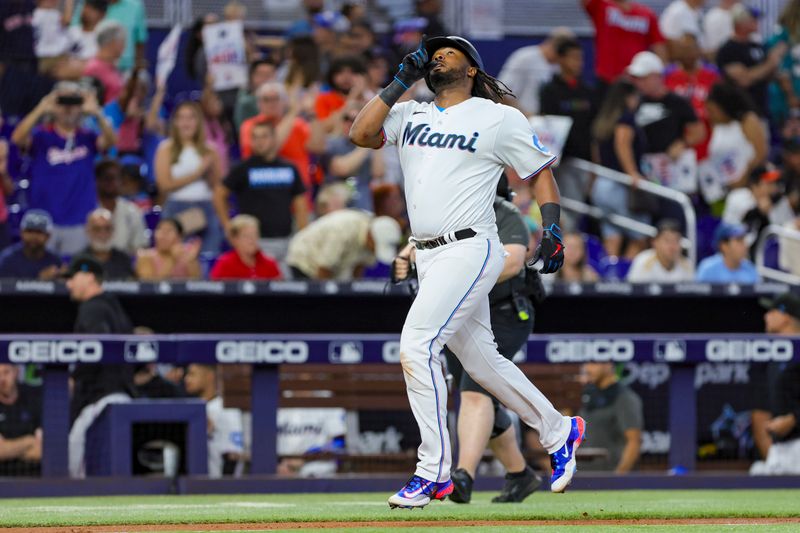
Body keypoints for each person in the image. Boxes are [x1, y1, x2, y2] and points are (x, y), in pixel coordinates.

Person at [349, 35, 584, 508]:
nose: (437, 55)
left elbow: (538, 172)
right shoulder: (411, 111)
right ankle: (560, 430)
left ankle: (433, 471)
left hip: (470, 246)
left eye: (448, 51)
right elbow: (360, 134)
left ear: (471, 68)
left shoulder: (496, 117)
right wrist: (399, 81)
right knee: (482, 362)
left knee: (417, 344)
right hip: (429, 254)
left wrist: (552, 227)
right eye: (432, 52)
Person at [393, 179, 543, 504]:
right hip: (463, 311)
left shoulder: (503, 212)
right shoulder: (450, 216)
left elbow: (515, 260)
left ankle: (463, 475)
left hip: (506, 312)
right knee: (480, 391)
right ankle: (520, 474)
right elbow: (415, 248)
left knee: (476, 392)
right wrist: (410, 258)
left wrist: (461, 272)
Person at [10, 81, 116, 255]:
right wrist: (41, 108)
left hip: (80, 218)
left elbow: (111, 141)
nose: (68, 108)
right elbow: (17, 138)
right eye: (62, 101)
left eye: (73, 102)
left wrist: (97, 113)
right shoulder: (42, 135)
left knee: (74, 274)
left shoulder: (87, 136)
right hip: (45, 221)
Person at [66, 255, 135, 477]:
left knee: (76, 461)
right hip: (122, 396)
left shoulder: (92, 308)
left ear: (88, 277)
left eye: (72, 278)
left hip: (100, 399)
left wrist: (75, 377)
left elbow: (98, 347)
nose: (68, 284)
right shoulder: (114, 305)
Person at [214, 121, 309, 265]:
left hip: (286, 239)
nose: (259, 142)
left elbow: (300, 202)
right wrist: (228, 226)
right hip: (256, 242)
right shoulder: (243, 168)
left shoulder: (289, 168)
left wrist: (302, 235)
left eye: (264, 137)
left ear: (274, 139)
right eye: (255, 138)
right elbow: (219, 194)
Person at [539, 37, 596, 230]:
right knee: (564, 209)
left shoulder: (588, 91)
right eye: (573, 58)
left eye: (580, 58)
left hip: (584, 162)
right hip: (560, 163)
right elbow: (547, 127)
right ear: (561, 60)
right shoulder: (549, 90)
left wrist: (594, 165)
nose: (578, 63)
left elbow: (594, 131)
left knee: (578, 209)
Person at [154, 101, 224, 255]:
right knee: (177, 258)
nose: (186, 123)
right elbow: (164, 185)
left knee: (209, 254)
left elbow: (218, 186)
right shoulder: (166, 148)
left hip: (206, 207)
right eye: (182, 118)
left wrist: (208, 172)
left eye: (191, 118)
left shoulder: (210, 149)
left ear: (198, 122)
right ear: (176, 122)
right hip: (176, 207)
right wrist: (197, 173)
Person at [590, 80, 650, 258]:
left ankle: (610, 279)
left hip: (601, 185)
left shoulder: (602, 121)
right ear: (628, 98)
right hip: (619, 185)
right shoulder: (626, 118)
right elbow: (622, 144)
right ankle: (626, 281)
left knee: (612, 235)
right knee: (640, 236)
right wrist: (633, 174)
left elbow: (596, 155)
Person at [750, 293, 800, 475]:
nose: (766, 316)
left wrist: (794, 419)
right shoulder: (773, 356)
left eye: (771, 311)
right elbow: (760, 411)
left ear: (785, 316)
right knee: (756, 472)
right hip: (780, 448)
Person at [286, 209, 401, 280]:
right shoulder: (343, 230)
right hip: (303, 260)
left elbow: (359, 269)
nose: (375, 251)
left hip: (328, 268)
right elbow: (323, 269)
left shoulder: (372, 239)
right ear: (371, 237)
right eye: (375, 247)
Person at [716, 4, 787, 118]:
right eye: (752, 19)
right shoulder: (728, 50)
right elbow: (744, 79)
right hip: (740, 112)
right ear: (740, 22)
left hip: (762, 107)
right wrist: (770, 62)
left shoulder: (757, 46)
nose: (757, 22)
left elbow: (767, 75)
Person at [581, 0, 667, 93]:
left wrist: (659, 78)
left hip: (636, 83)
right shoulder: (602, 6)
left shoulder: (647, 14)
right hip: (607, 81)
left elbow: (659, 47)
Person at [702, 82, 767, 199]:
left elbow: (761, 155)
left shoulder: (748, 121)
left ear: (724, 107)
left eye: (712, 111)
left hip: (752, 185)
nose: (709, 115)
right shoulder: (716, 127)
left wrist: (742, 179)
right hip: (724, 188)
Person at [664, 33, 720, 162]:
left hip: (708, 143)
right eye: (683, 49)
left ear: (699, 49)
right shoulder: (668, 75)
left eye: (691, 49)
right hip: (676, 144)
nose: (687, 54)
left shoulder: (713, 75)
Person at [578, 363, 643, 473]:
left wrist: (617, 478)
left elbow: (634, 441)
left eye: (594, 363)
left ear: (609, 365)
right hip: (580, 473)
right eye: (587, 363)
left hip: (607, 473)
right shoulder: (587, 393)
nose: (588, 368)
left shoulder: (625, 398)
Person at [497, 27, 575, 117]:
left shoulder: (558, 66)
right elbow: (502, 93)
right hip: (520, 121)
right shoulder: (525, 57)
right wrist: (524, 115)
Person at [183, 364, 244, 478]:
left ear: (209, 376)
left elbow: (233, 455)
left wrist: (226, 489)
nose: (186, 379)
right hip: (196, 482)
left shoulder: (225, 408)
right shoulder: (191, 407)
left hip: (217, 484)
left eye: (192, 374)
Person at [324, 107, 385, 212]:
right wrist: (367, 142)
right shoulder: (332, 142)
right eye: (346, 119)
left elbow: (378, 172)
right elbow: (341, 168)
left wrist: (377, 141)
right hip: (338, 206)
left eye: (355, 120)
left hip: (363, 204)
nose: (350, 123)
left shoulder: (370, 146)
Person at [69, 0, 148, 73]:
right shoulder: (88, 2)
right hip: (88, 67)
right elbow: (76, 30)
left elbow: (140, 41)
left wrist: (136, 70)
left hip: (126, 69)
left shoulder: (136, 5)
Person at [94, 159, 148, 256]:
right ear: (97, 181)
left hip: (124, 266)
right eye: (106, 178)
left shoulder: (132, 211)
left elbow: (140, 247)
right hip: (92, 265)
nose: (110, 183)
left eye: (114, 178)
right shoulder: (86, 211)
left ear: (121, 181)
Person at [276, 407, 346, 477]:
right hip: (281, 473)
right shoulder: (277, 404)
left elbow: (340, 444)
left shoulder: (329, 405)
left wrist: (306, 457)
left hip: (319, 476)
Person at [0, 364, 42, 476]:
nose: (2, 379)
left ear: (16, 372)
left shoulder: (32, 401)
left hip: (34, 477)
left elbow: (42, 451)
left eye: (6, 372)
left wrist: (10, 448)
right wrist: (29, 441)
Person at [210, 215, 282, 280]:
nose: (252, 240)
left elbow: (279, 290)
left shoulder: (270, 264)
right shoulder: (224, 265)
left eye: (255, 235)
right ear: (235, 239)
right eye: (247, 236)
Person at [0, 210, 62, 280]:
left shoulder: (55, 261)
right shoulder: (7, 259)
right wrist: (39, 280)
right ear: (21, 233)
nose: (34, 236)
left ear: (48, 236)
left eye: (39, 232)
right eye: (29, 231)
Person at [627, 219, 694, 282]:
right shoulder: (643, 262)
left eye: (676, 241)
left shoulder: (687, 265)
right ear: (654, 242)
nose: (672, 246)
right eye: (667, 241)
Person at [135, 218, 201, 281]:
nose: (163, 235)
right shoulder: (145, 257)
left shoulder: (186, 256)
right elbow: (148, 286)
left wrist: (191, 261)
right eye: (160, 229)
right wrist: (172, 259)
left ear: (179, 237)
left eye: (169, 230)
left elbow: (196, 285)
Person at [79, 208, 135, 279]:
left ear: (113, 230)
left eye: (107, 228)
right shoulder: (80, 260)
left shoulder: (124, 259)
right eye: (97, 229)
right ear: (88, 231)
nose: (103, 234)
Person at [695, 222, 760, 282]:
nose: (744, 245)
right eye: (739, 240)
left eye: (743, 240)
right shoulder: (708, 269)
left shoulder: (750, 269)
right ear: (724, 246)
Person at [82, 20, 126, 104]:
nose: (124, 46)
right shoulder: (93, 68)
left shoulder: (113, 67)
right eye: (122, 41)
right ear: (113, 42)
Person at [234, 59, 277, 131]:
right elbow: (243, 131)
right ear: (252, 77)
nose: (266, 79)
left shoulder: (282, 99)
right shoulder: (245, 103)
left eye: (269, 75)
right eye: (262, 75)